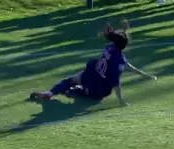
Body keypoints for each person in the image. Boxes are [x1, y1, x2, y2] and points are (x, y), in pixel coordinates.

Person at [29, 21, 157, 106]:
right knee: (81, 93)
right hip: (98, 89)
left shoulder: (109, 48)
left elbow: (130, 67)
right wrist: (121, 101)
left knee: (70, 80)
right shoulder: (119, 60)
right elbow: (115, 83)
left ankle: (50, 93)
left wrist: (146, 75)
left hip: (91, 74)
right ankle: (75, 92)